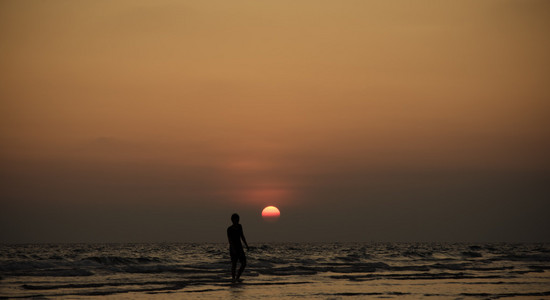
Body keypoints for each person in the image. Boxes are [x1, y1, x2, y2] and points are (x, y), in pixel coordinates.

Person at [227, 213, 249, 283]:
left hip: (240, 248)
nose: (237, 221)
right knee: (234, 264)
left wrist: (246, 245)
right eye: (236, 219)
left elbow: (242, 236)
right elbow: (230, 240)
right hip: (233, 248)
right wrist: (233, 249)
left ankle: (237, 277)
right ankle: (233, 279)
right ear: (232, 220)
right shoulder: (229, 229)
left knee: (244, 263)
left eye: (238, 219)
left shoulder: (240, 226)